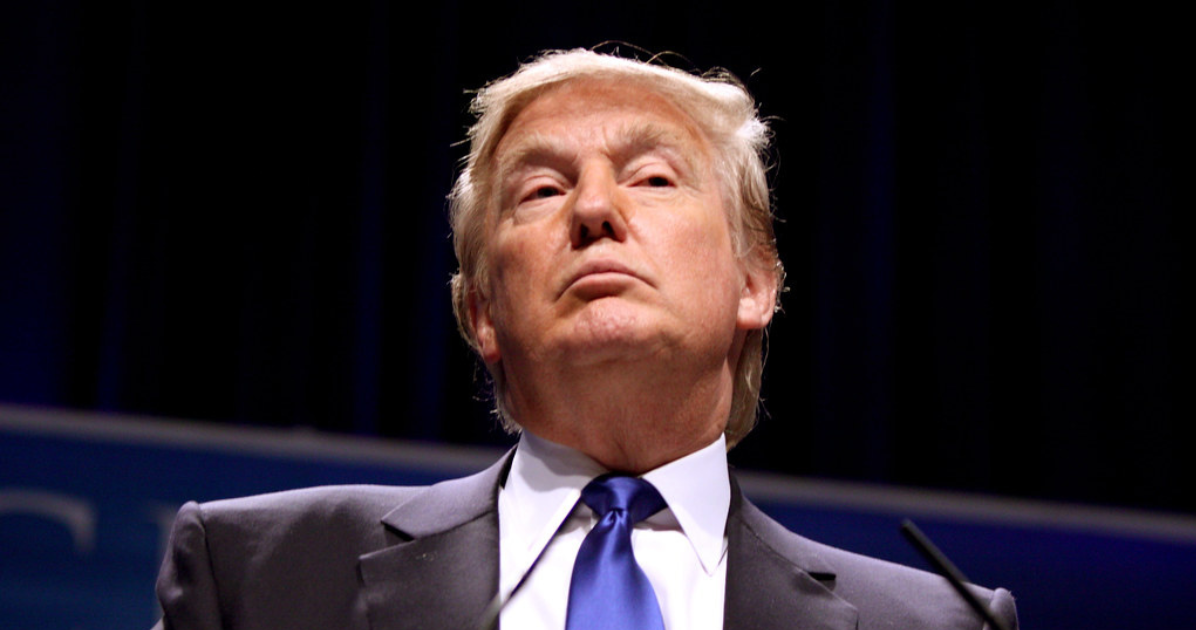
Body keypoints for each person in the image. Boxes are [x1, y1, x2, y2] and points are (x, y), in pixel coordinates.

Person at [153, 49, 1018, 630]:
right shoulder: (262, 576)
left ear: (756, 282)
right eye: (539, 190)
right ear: (481, 313)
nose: (596, 210)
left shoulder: (937, 622)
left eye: (653, 177)